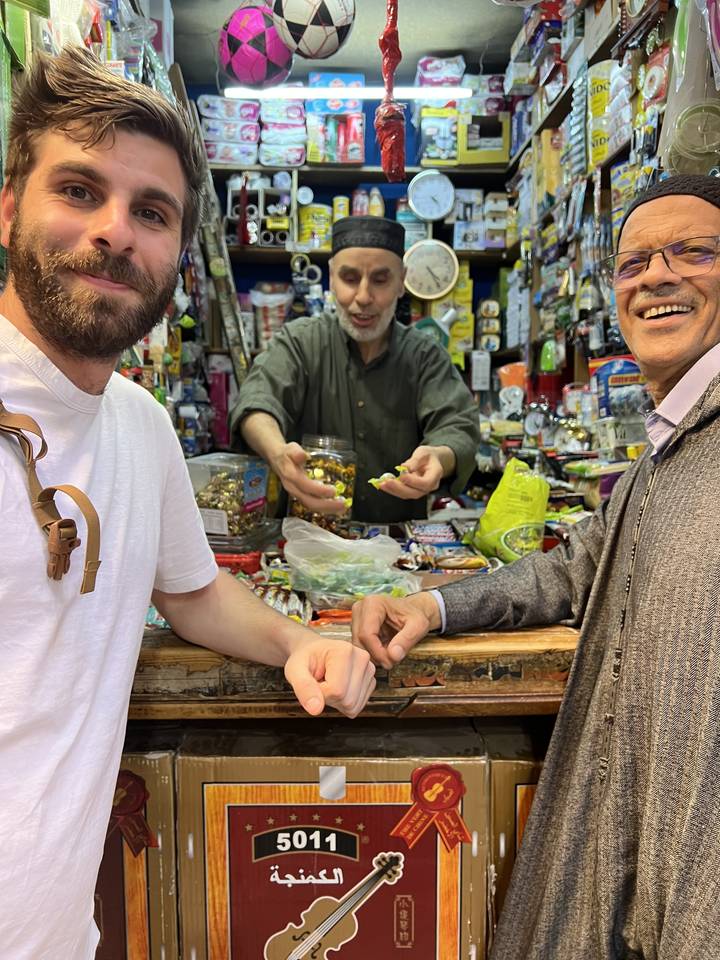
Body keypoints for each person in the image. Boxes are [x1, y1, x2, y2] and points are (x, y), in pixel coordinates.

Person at [0, 48, 375, 959]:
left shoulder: (136, 423)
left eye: (153, 212)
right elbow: (258, 406)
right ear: (9, 206)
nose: (116, 232)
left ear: (175, 254)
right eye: (80, 190)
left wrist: (300, 642)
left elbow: (192, 591)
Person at [353, 174, 720, 959]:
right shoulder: (666, 454)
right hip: (646, 854)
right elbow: (572, 566)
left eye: (693, 252)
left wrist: (445, 452)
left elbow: (456, 423)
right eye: (634, 263)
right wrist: (434, 609)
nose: (657, 275)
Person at [230, 216, 480, 523]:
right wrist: (277, 452)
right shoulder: (299, 342)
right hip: (308, 542)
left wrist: (440, 456)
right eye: (349, 279)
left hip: (396, 551)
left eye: (379, 280)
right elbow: (257, 401)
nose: (362, 297)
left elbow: (458, 427)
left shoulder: (425, 356)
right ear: (332, 277)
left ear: (401, 281)